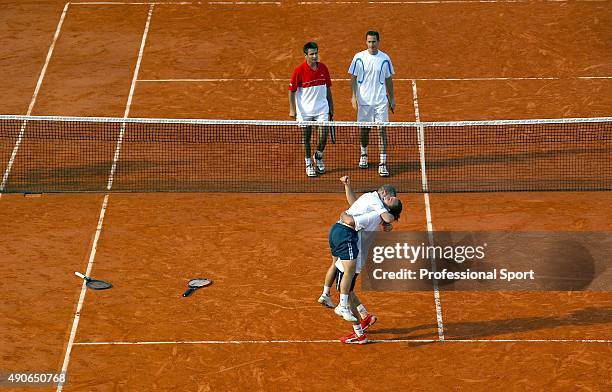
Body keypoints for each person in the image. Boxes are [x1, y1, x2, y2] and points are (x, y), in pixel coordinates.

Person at [322, 176, 402, 344]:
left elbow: (351, 219)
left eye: (389, 197)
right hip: (356, 254)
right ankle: (365, 316)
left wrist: (343, 215)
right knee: (349, 290)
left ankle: (359, 334)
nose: (384, 195)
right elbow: (356, 206)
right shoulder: (375, 210)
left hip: (352, 253)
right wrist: (348, 186)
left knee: (346, 293)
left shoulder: (375, 213)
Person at [348, 31, 395, 177]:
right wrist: (353, 97)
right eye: (369, 42)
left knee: (382, 131)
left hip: (380, 101)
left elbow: (388, 79)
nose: (371, 44)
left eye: (374, 42)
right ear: (365, 42)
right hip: (364, 102)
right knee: (365, 130)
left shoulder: (385, 58)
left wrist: (391, 98)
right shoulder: (359, 57)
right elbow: (353, 78)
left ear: (378, 42)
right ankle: (364, 154)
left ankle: (382, 162)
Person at [289, 41, 334, 177]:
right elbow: (291, 91)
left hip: (322, 109)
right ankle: (308, 162)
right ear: (305, 55)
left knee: (323, 135)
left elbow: (327, 88)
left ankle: (318, 156)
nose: (315, 56)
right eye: (311, 54)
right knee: (306, 137)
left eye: (316, 53)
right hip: (305, 111)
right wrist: (292, 109)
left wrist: (331, 106)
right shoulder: (299, 71)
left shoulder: (323, 68)